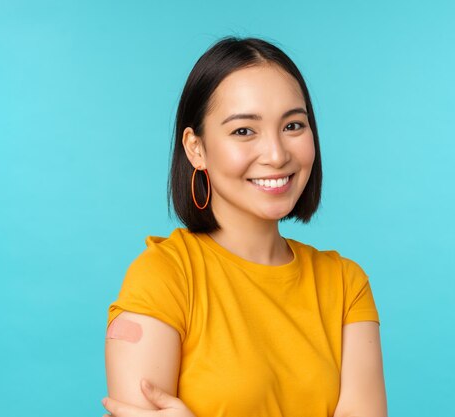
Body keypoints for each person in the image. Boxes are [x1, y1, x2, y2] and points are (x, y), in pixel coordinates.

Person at [102, 36, 387, 417]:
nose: (276, 153)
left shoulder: (346, 286)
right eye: (243, 131)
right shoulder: (163, 278)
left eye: (293, 125)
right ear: (195, 148)